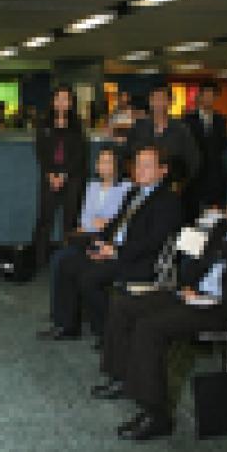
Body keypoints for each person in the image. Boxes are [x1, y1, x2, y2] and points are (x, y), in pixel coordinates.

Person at [94, 165, 227, 440]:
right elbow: (195, 267)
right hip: (195, 296)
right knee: (124, 305)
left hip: (225, 307)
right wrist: (189, 283)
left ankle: (155, 414)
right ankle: (121, 377)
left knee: (150, 328)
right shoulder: (222, 226)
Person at [37, 144, 183, 341]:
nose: (140, 169)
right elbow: (116, 223)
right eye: (138, 164)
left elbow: (152, 242)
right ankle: (66, 325)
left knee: (89, 278)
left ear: (163, 170)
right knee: (67, 263)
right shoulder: (134, 193)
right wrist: (99, 242)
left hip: (140, 261)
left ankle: (110, 332)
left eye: (147, 165)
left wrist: (114, 251)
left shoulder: (168, 201)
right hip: (117, 251)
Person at [46, 148, 132, 322]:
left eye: (108, 162)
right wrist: (97, 223)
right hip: (87, 237)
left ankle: (72, 315)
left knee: (72, 263)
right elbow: (85, 218)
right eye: (100, 161)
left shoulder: (126, 188)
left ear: (116, 165)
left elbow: (121, 221)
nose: (103, 165)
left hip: (109, 241)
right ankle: (60, 315)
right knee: (59, 259)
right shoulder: (92, 187)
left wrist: (104, 224)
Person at [32, 86, 87, 267]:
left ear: (71, 103)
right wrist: (50, 174)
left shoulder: (77, 124)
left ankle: (67, 259)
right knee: (44, 219)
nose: (62, 102)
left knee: (70, 220)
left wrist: (64, 174)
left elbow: (80, 153)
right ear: (53, 101)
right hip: (49, 176)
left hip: (72, 177)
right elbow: (40, 150)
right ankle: (39, 260)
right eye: (59, 98)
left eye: (66, 99)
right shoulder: (44, 123)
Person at [129, 86, 200, 187]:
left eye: (162, 99)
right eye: (154, 99)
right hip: (141, 187)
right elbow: (129, 155)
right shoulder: (139, 127)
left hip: (170, 188)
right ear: (150, 102)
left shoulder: (181, 129)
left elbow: (194, 160)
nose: (158, 103)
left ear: (169, 102)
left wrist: (182, 185)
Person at [184, 83, 227, 214]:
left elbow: (223, 144)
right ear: (200, 96)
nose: (209, 98)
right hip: (195, 173)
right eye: (207, 95)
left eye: (212, 96)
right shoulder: (188, 120)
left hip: (215, 174)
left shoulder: (220, 120)